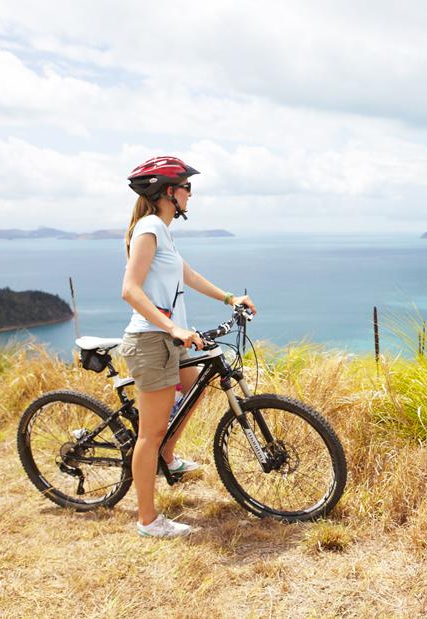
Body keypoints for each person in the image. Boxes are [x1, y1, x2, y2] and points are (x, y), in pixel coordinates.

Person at [119, 155, 256, 538]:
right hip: (151, 340)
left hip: (168, 337)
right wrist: (174, 328)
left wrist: (230, 298)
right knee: (150, 431)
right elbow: (129, 289)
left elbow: (187, 274)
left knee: (195, 388)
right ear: (168, 192)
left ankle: (168, 456)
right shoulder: (148, 228)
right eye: (187, 187)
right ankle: (148, 520)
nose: (191, 193)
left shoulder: (163, 231)